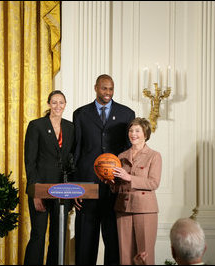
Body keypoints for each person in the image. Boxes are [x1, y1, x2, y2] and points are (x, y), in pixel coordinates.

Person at [73, 74, 135, 265]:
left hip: (114, 187)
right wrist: (75, 186)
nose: (108, 92)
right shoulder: (81, 114)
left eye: (111, 88)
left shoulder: (127, 114)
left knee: (114, 242)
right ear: (95, 88)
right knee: (85, 242)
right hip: (87, 186)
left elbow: (129, 152)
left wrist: (125, 183)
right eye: (104, 88)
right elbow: (76, 151)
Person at [24, 90, 75, 265]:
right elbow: (30, 161)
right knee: (38, 234)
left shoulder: (70, 127)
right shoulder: (36, 126)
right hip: (41, 188)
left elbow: (71, 159)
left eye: (61, 102)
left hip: (62, 189)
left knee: (58, 236)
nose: (58, 106)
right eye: (54, 102)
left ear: (65, 105)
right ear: (48, 104)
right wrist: (36, 192)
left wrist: (73, 191)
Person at [109, 117, 162, 265]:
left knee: (144, 255)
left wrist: (129, 177)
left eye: (137, 131)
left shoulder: (154, 156)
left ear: (145, 134)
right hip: (123, 207)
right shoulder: (121, 156)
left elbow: (153, 183)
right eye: (131, 130)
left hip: (145, 209)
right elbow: (118, 187)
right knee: (125, 255)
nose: (133, 134)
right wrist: (110, 183)